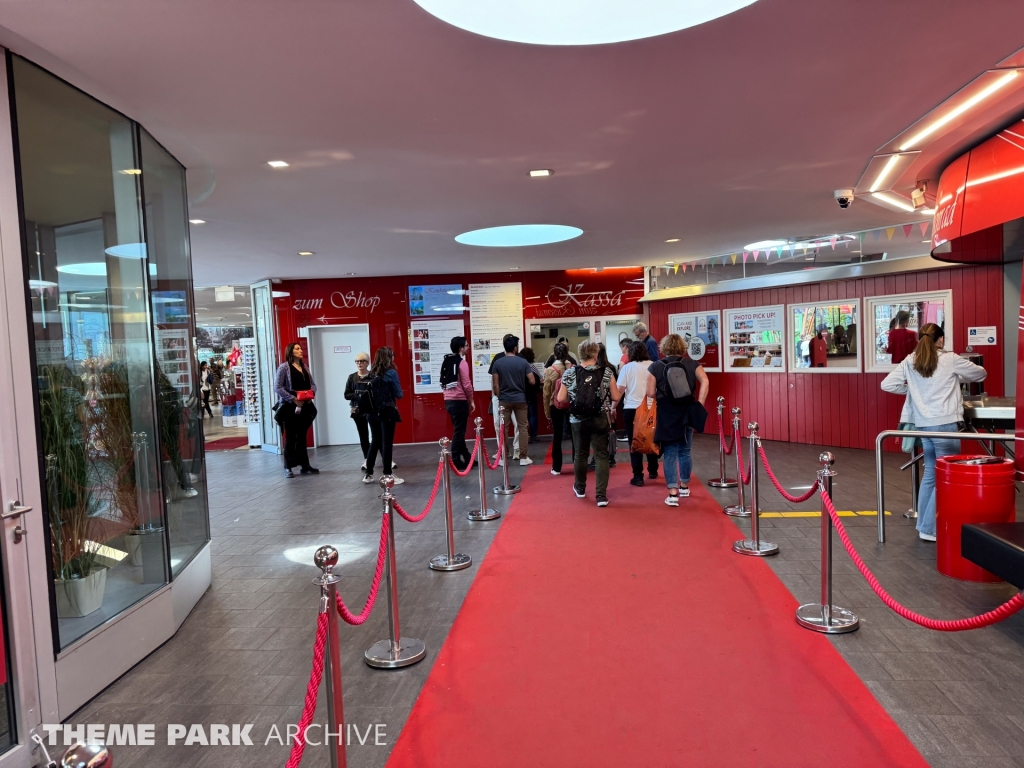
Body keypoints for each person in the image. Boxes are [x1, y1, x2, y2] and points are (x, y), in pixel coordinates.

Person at [881, 323, 986, 541]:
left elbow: (887, 384)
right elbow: (980, 374)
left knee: (931, 473)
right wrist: (957, 377)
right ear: (940, 340)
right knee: (945, 475)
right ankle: (929, 528)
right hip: (945, 425)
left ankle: (923, 525)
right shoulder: (949, 359)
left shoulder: (911, 360)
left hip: (922, 425)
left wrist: (911, 389)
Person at [646, 334, 709, 506]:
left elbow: (650, 393)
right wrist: (700, 403)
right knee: (685, 450)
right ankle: (684, 486)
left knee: (670, 452)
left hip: (666, 413)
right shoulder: (693, 364)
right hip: (687, 411)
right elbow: (705, 381)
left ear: (663, 347)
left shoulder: (655, 366)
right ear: (682, 347)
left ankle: (673, 494)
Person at [556, 340, 620, 507]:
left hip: (578, 420)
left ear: (580, 354)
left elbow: (561, 398)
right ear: (596, 354)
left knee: (580, 454)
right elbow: (616, 396)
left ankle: (580, 488)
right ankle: (601, 496)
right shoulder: (606, 372)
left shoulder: (570, 373)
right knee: (601, 455)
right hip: (600, 417)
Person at [274, 342, 319, 478]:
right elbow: (277, 387)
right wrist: (293, 398)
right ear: (291, 352)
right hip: (290, 407)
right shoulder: (284, 367)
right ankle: (288, 467)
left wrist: (311, 394)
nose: (301, 350)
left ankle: (304, 465)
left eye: (300, 348)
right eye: (297, 349)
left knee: (302, 436)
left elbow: (312, 384)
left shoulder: (305, 366)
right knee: (290, 437)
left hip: (305, 405)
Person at [491, 335, 536, 466]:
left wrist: (500, 396)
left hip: (504, 400)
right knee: (522, 427)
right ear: (515, 348)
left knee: (503, 428)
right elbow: (532, 381)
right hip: (520, 399)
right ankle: (523, 457)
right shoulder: (523, 362)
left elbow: (495, 385)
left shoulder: (498, 363)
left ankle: (503, 457)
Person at [617, 341, 658, 486]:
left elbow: (619, 390)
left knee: (634, 442)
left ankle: (638, 475)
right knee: (651, 438)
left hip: (631, 408)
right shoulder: (654, 365)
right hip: (650, 408)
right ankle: (653, 470)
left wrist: (613, 407)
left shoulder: (627, 368)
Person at [364, 346, 404, 484]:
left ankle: (368, 474)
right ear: (388, 357)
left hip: (371, 412)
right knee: (387, 443)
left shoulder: (370, 374)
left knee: (375, 441)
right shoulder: (391, 373)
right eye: (392, 355)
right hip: (387, 411)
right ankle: (388, 474)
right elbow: (399, 394)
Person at [442, 336, 475, 471]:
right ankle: (455, 459)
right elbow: (466, 384)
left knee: (458, 430)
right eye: (466, 345)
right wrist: (471, 400)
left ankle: (466, 456)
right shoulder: (462, 363)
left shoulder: (447, 361)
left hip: (448, 400)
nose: (468, 347)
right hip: (459, 400)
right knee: (459, 432)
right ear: (461, 348)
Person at [543, 342, 574, 475]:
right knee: (574, 436)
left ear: (554, 354)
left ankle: (556, 467)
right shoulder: (573, 368)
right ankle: (577, 464)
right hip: (572, 405)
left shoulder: (551, 370)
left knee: (557, 436)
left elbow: (546, 393)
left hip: (555, 405)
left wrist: (547, 412)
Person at [489, 333, 521, 458]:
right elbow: (493, 378)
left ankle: (517, 448)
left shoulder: (520, 357)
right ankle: (503, 450)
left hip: (516, 395)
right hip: (499, 396)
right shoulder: (498, 358)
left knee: (518, 423)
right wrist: (493, 395)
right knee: (498, 424)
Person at [343, 352, 373, 471]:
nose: (359, 363)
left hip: (371, 410)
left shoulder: (373, 376)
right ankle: (367, 459)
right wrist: (358, 395)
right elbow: (346, 394)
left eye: (362, 361)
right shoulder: (352, 377)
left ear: (367, 362)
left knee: (377, 435)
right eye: (357, 361)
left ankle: (387, 458)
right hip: (357, 410)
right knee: (363, 435)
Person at [520, 347, 541, 442]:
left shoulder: (519, 367)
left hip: (521, 394)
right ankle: (533, 436)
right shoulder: (532, 367)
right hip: (531, 394)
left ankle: (524, 436)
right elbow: (540, 378)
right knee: (533, 415)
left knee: (523, 416)